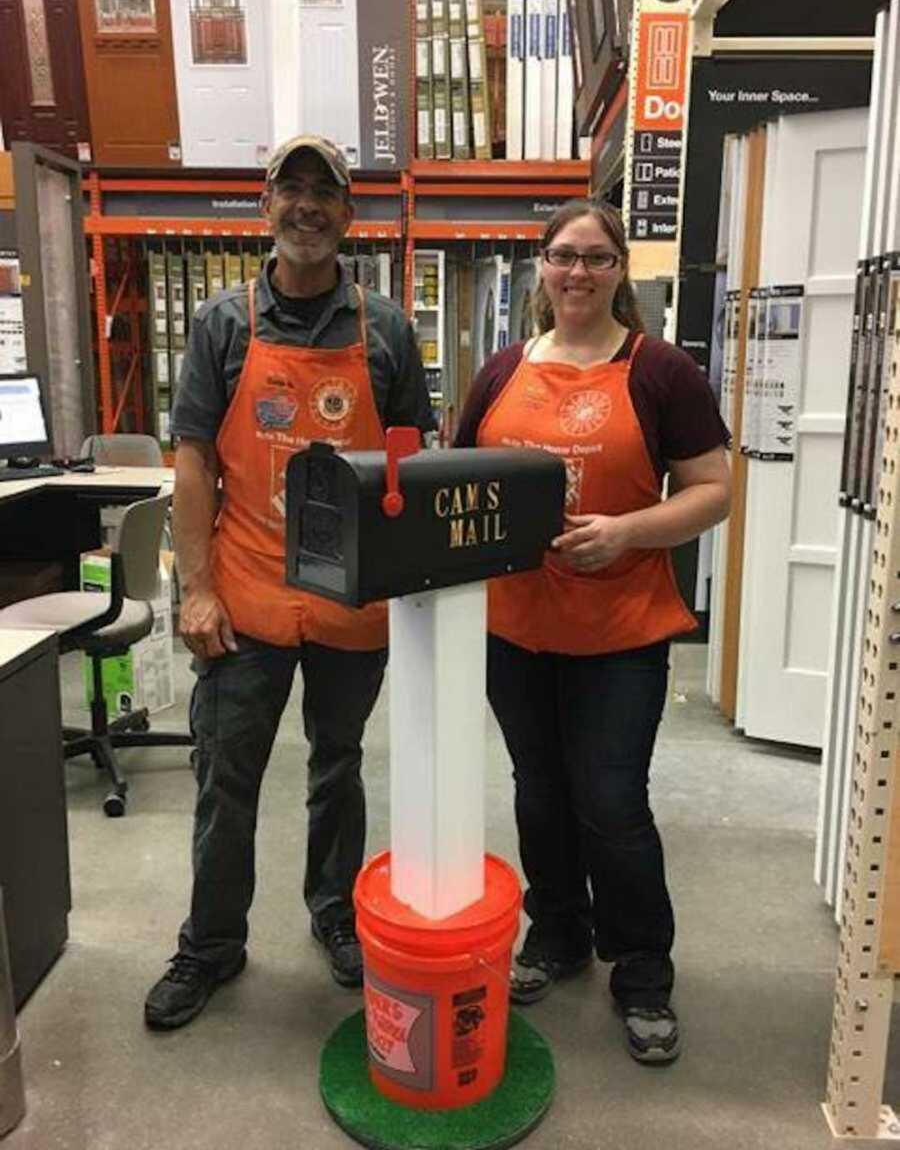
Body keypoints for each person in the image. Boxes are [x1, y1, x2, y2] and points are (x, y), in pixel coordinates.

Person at [144, 135, 436, 1030]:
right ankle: (211, 944)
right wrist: (195, 589)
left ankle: (336, 916)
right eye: (291, 189)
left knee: (336, 768)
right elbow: (192, 463)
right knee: (225, 775)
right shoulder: (224, 325)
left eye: (326, 193)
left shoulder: (384, 328)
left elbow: (410, 462)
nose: (307, 206)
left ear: (349, 216)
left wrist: (415, 586)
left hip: (352, 605)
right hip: (247, 598)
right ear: (265, 206)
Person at [455, 199, 730, 1064]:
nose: (578, 273)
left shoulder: (662, 373)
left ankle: (642, 970)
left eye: (597, 258)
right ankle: (561, 933)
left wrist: (627, 530)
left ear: (620, 271)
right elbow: (459, 476)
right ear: (542, 265)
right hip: (516, 629)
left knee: (610, 802)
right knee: (539, 790)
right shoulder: (500, 371)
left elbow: (713, 489)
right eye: (564, 256)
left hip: (620, 630)